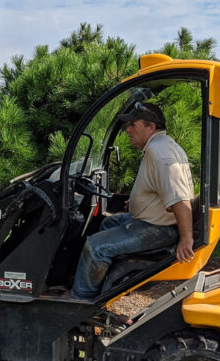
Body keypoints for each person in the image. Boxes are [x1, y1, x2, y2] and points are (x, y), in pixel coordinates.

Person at [70, 102, 195, 301]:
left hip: (158, 229)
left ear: (150, 127)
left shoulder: (160, 152)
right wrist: (139, 202)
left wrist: (186, 239)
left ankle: (80, 302)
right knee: (108, 222)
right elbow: (162, 190)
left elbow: (180, 200)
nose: (127, 130)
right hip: (153, 221)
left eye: (133, 125)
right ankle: (100, 287)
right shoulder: (161, 146)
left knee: (95, 247)